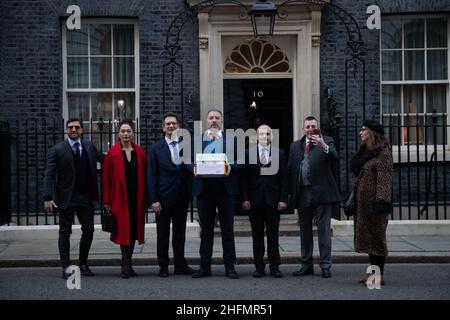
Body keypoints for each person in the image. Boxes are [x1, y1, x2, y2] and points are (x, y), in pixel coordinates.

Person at [43, 118, 104, 279]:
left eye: (77, 127)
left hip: (85, 197)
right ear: (66, 130)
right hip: (66, 197)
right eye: (70, 127)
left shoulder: (89, 146)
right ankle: (66, 267)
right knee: (64, 232)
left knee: (89, 230)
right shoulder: (57, 150)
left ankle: (83, 264)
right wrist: (47, 197)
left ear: (82, 130)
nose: (74, 130)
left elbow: (106, 160)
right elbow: (48, 174)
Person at [288, 116, 340, 278]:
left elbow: (335, 157)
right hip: (302, 193)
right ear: (303, 129)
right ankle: (306, 264)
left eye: (313, 126)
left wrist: (323, 145)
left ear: (317, 128)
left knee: (323, 230)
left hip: (322, 193)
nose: (310, 129)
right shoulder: (295, 146)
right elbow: (291, 169)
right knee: (305, 231)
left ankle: (325, 265)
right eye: (307, 127)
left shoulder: (327, 141)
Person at [191, 109, 240, 279]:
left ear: (222, 121)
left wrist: (231, 167)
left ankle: (230, 266)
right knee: (206, 231)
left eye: (217, 118)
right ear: (206, 121)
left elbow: (240, 161)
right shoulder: (197, 140)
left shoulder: (232, 139)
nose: (214, 120)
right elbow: (188, 162)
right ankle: (205, 267)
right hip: (204, 191)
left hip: (226, 191)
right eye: (211, 118)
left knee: (228, 230)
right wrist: (194, 169)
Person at [147, 113, 194, 277]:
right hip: (163, 197)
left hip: (181, 197)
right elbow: (151, 175)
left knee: (180, 234)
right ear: (163, 127)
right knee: (163, 234)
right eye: (168, 124)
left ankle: (180, 265)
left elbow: (190, 171)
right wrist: (154, 200)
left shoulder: (186, 146)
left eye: (174, 123)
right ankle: (164, 266)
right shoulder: (155, 148)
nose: (171, 126)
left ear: (178, 126)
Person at [102, 119, 148, 279]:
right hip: (120, 199)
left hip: (137, 198)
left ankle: (129, 263)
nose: (126, 134)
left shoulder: (141, 152)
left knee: (134, 230)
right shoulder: (112, 154)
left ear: (133, 133)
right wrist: (107, 201)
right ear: (119, 134)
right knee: (123, 231)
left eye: (128, 131)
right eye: (123, 131)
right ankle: (125, 264)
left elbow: (146, 177)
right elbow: (106, 180)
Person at [241, 124, 288, 278]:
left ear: (271, 136)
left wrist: (283, 199)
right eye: (261, 134)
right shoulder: (248, 153)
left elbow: (284, 179)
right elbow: (245, 179)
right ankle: (259, 266)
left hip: (273, 201)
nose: (264, 136)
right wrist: (245, 198)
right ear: (256, 136)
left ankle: (275, 266)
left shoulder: (279, 153)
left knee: (273, 236)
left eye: (267, 134)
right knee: (257, 235)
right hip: (254, 201)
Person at [350, 120, 393, 286]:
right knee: (369, 240)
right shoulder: (365, 151)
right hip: (363, 205)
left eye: (363, 130)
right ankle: (373, 274)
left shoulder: (383, 154)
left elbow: (384, 181)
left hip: (375, 205)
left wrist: (381, 202)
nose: (360, 133)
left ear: (372, 133)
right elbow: (357, 172)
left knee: (377, 239)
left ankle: (378, 275)